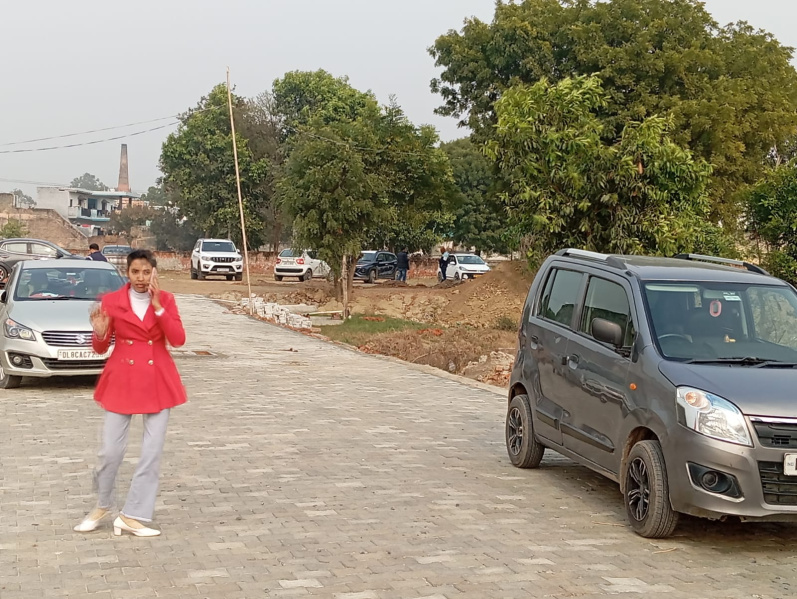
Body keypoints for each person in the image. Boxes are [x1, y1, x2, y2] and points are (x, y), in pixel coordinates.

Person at [73, 249, 187, 537]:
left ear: (154, 273)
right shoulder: (112, 301)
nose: (141, 277)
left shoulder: (166, 300)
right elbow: (100, 347)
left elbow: (178, 340)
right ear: (127, 273)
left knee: (151, 452)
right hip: (122, 378)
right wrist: (100, 333)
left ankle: (132, 515)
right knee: (109, 451)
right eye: (135, 271)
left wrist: (158, 307)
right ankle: (102, 505)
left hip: (157, 379)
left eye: (146, 272)